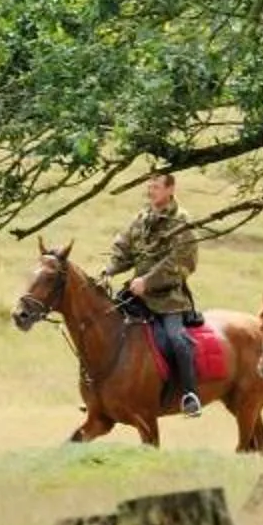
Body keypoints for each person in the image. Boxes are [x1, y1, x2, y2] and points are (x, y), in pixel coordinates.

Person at [104, 168, 203, 416]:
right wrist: (109, 270)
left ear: (170, 189)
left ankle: (189, 395)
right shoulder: (141, 218)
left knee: (176, 340)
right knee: (108, 331)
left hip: (169, 299)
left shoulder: (182, 222)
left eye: (156, 186)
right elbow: (124, 249)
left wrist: (148, 281)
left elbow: (182, 261)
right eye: (149, 186)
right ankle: (105, 393)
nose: (151, 190)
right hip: (137, 296)